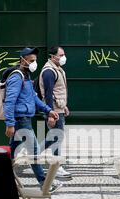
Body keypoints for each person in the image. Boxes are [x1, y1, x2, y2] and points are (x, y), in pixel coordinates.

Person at [3, 47, 62, 191]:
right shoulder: (17, 77)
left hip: (24, 119)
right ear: (22, 60)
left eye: (34, 60)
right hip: (20, 119)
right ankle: (44, 184)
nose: (33, 63)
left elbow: (34, 98)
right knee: (34, 152)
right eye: (31, 60)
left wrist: (49, 110)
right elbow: (9, 102)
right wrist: (10, 124)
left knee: (12, 153)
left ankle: (1, 180)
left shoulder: (26, 76)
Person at [38, 46, 72, 178]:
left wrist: (64, 106)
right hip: (54, 112)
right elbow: (47, 94)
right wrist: (50, 114)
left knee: (55, 138)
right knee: (55, 138)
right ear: (53, 57)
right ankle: (55, 165)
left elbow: (59, 91)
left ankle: (36, 154)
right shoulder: (49, 72)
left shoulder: (57, 69)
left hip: (59, 109)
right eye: (61, 55)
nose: (64, 57)